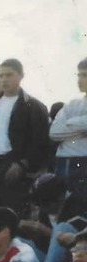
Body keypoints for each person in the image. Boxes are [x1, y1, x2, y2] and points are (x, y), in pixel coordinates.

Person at [0, 59, 51, 216]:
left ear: (21, 76)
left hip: (14, 170)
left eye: (9, 75)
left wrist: (23, 164)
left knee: (13, 220)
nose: (4, 79)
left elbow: (40, 141)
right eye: (1, 76)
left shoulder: (34, 106)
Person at [50, 57, 87, 205]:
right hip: (63, 163)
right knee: (62, 209)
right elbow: (54, 132)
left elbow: (62, 129)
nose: (79, 79)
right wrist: (82, 130)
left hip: (83, 162)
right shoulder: (72, 104)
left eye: (84, 75)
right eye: (78, 75)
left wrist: (69, 124)